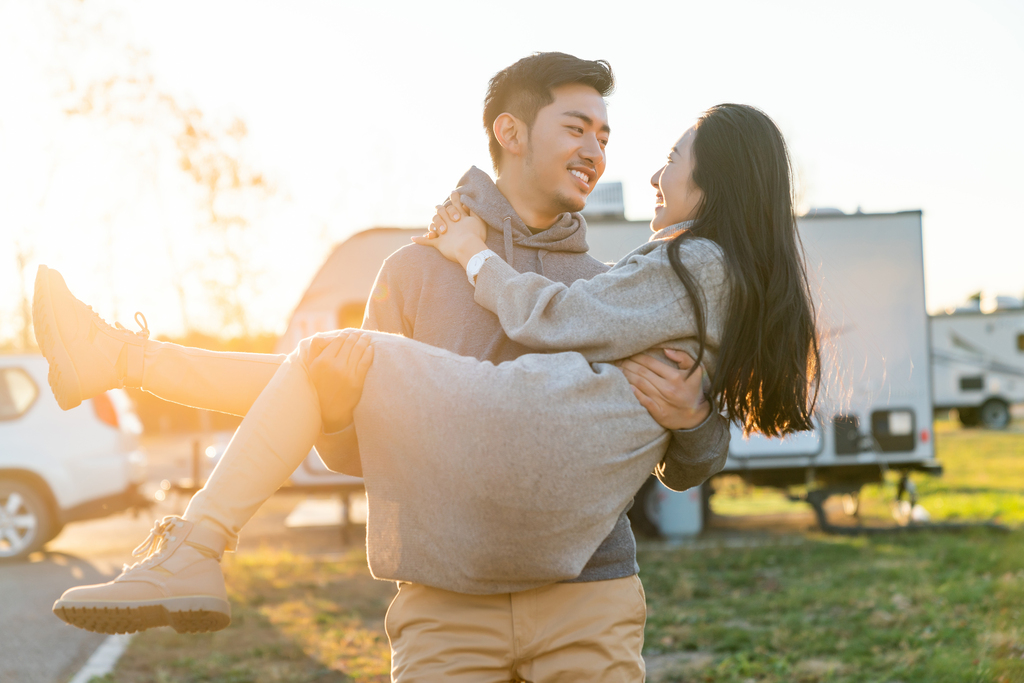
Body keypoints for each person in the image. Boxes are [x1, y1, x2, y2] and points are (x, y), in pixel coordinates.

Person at [37, 53, 736, 681]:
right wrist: (344, 413)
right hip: (447, 604)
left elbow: (675, 461)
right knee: (317, 369)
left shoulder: (606, 285)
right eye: (578, 128)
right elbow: (353, 446)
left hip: (588, 596)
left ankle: (123, 367)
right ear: (510, 132)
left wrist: (698, 419)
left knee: (316, 365)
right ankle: (123, 367)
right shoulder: (412, 273)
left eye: (605, 137)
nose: (596, 152)